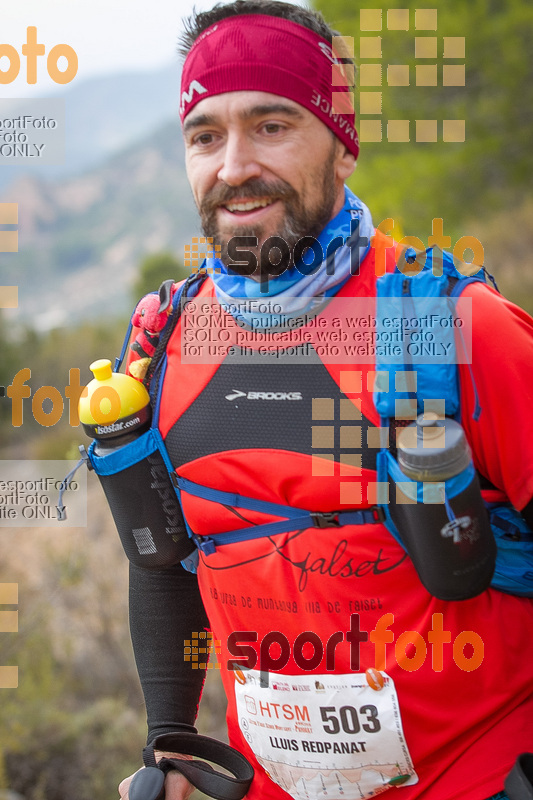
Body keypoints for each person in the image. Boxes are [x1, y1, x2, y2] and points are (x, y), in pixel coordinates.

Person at [118, 1, 533, 799]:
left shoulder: (456, 328)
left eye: (271, 125)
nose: (233, 165)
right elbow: (164, 561)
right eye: (204, 135)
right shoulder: (162, 343)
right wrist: (168, 744)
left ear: (342, 147)